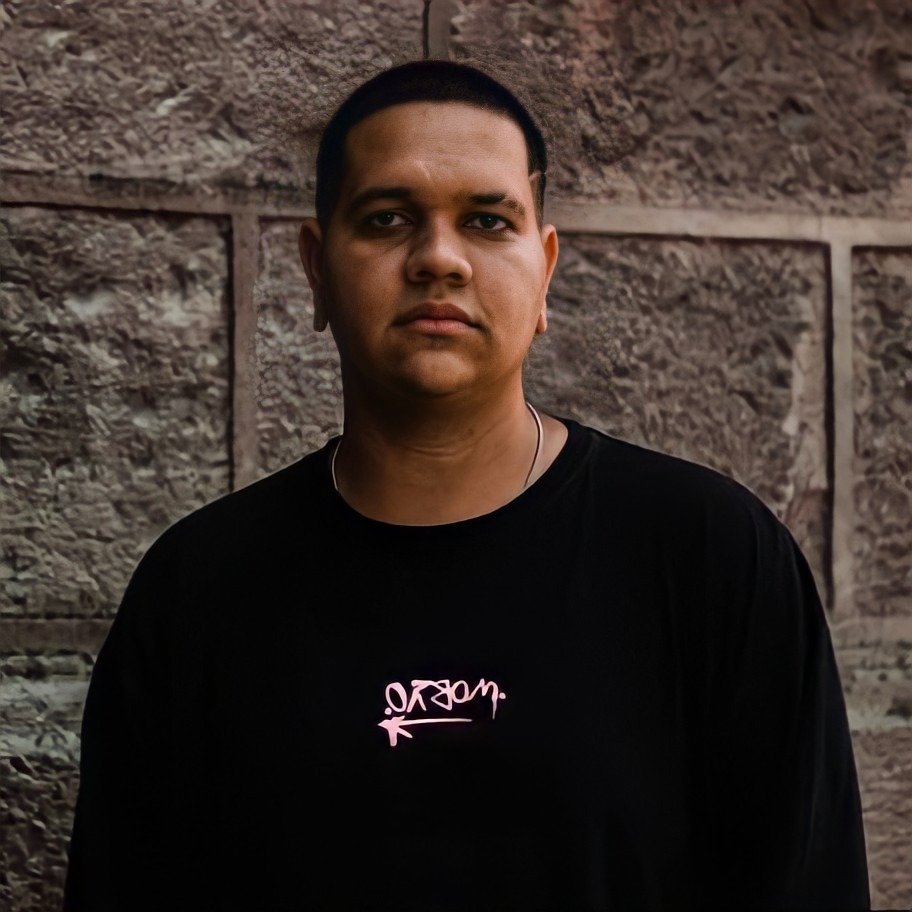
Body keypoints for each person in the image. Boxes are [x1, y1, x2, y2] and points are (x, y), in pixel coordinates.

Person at [64, 60, 870, 911]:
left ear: (544, 270)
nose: (439, 259)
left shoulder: (714, 559)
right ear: (316, 267)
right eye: (388, 218)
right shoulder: (198, 590)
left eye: (487, 220)